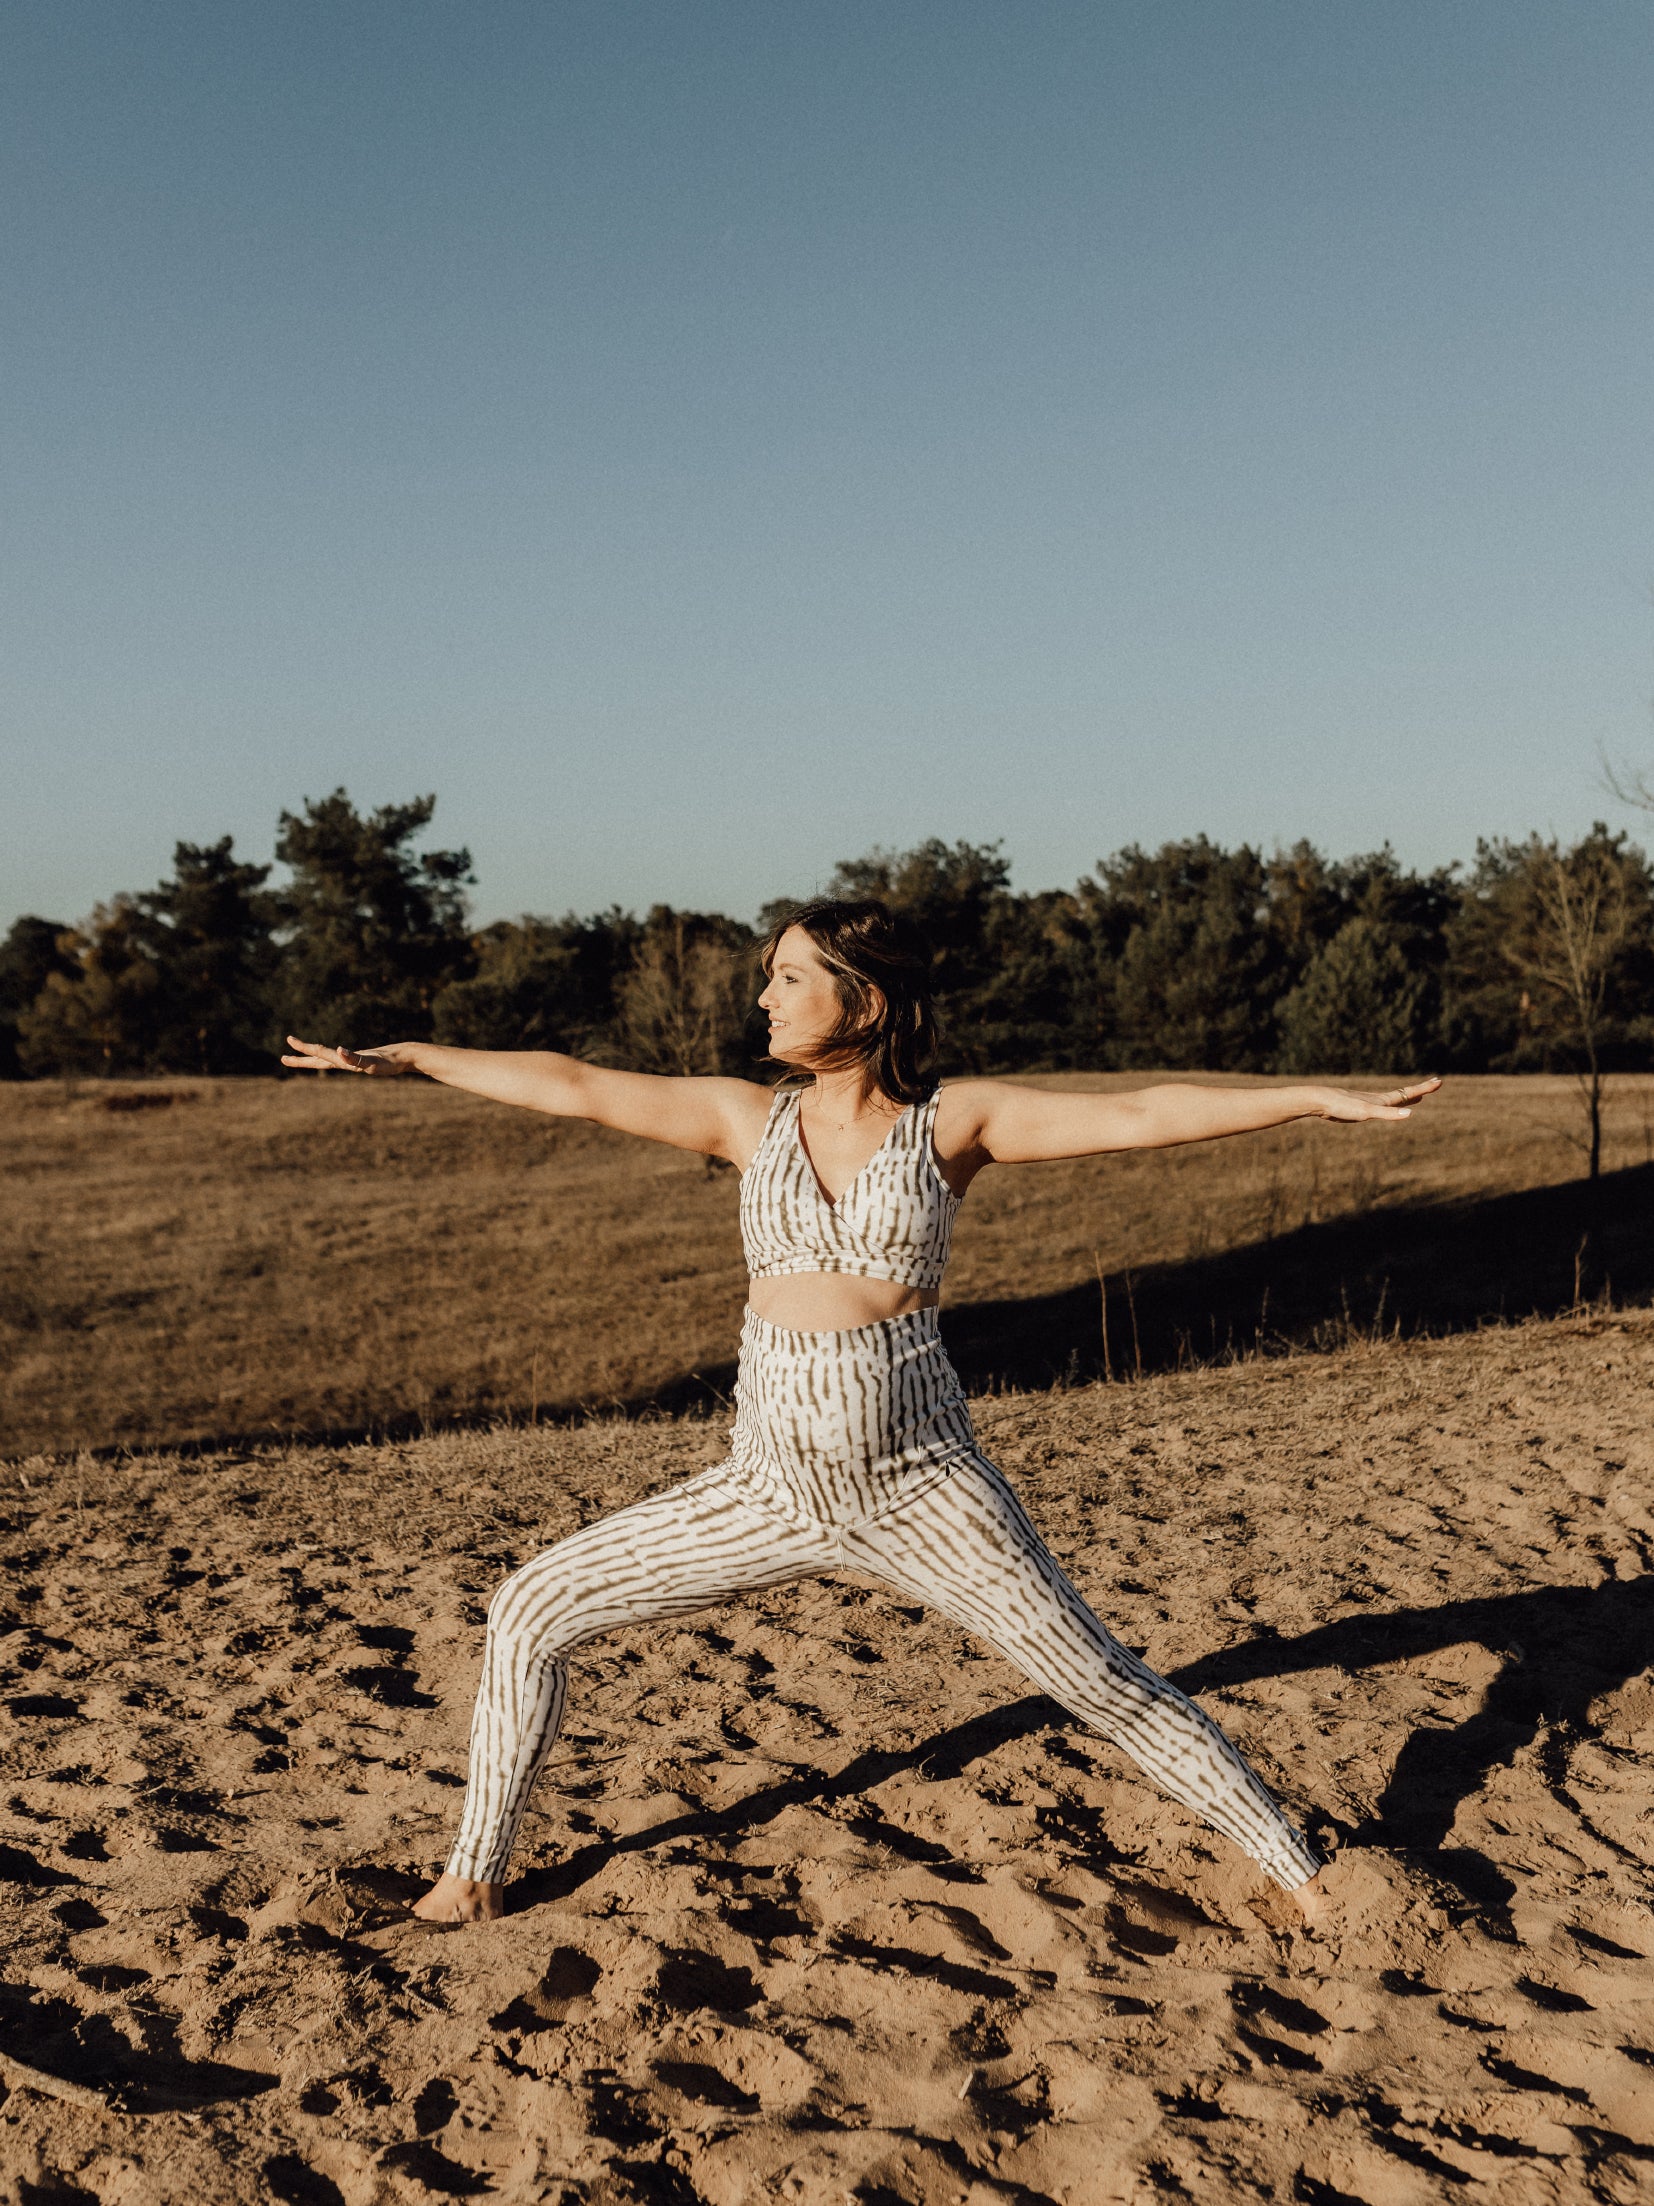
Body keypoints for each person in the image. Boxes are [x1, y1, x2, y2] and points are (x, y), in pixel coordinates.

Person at [282, 898, 1439, 1925]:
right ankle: (473, 1874)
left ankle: (1305, 1874)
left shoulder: (954, 1123)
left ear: (866, 996)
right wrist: (422, 1056)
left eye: (789, 974)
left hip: (922, 1485)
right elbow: (575, 1083)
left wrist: (1307, 1100)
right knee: (530, 1606)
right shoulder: (748, 1120)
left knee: (1096, 1681)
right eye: (770, 975)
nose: (764, 995)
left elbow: (1139, 1110)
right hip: (764, 1487)